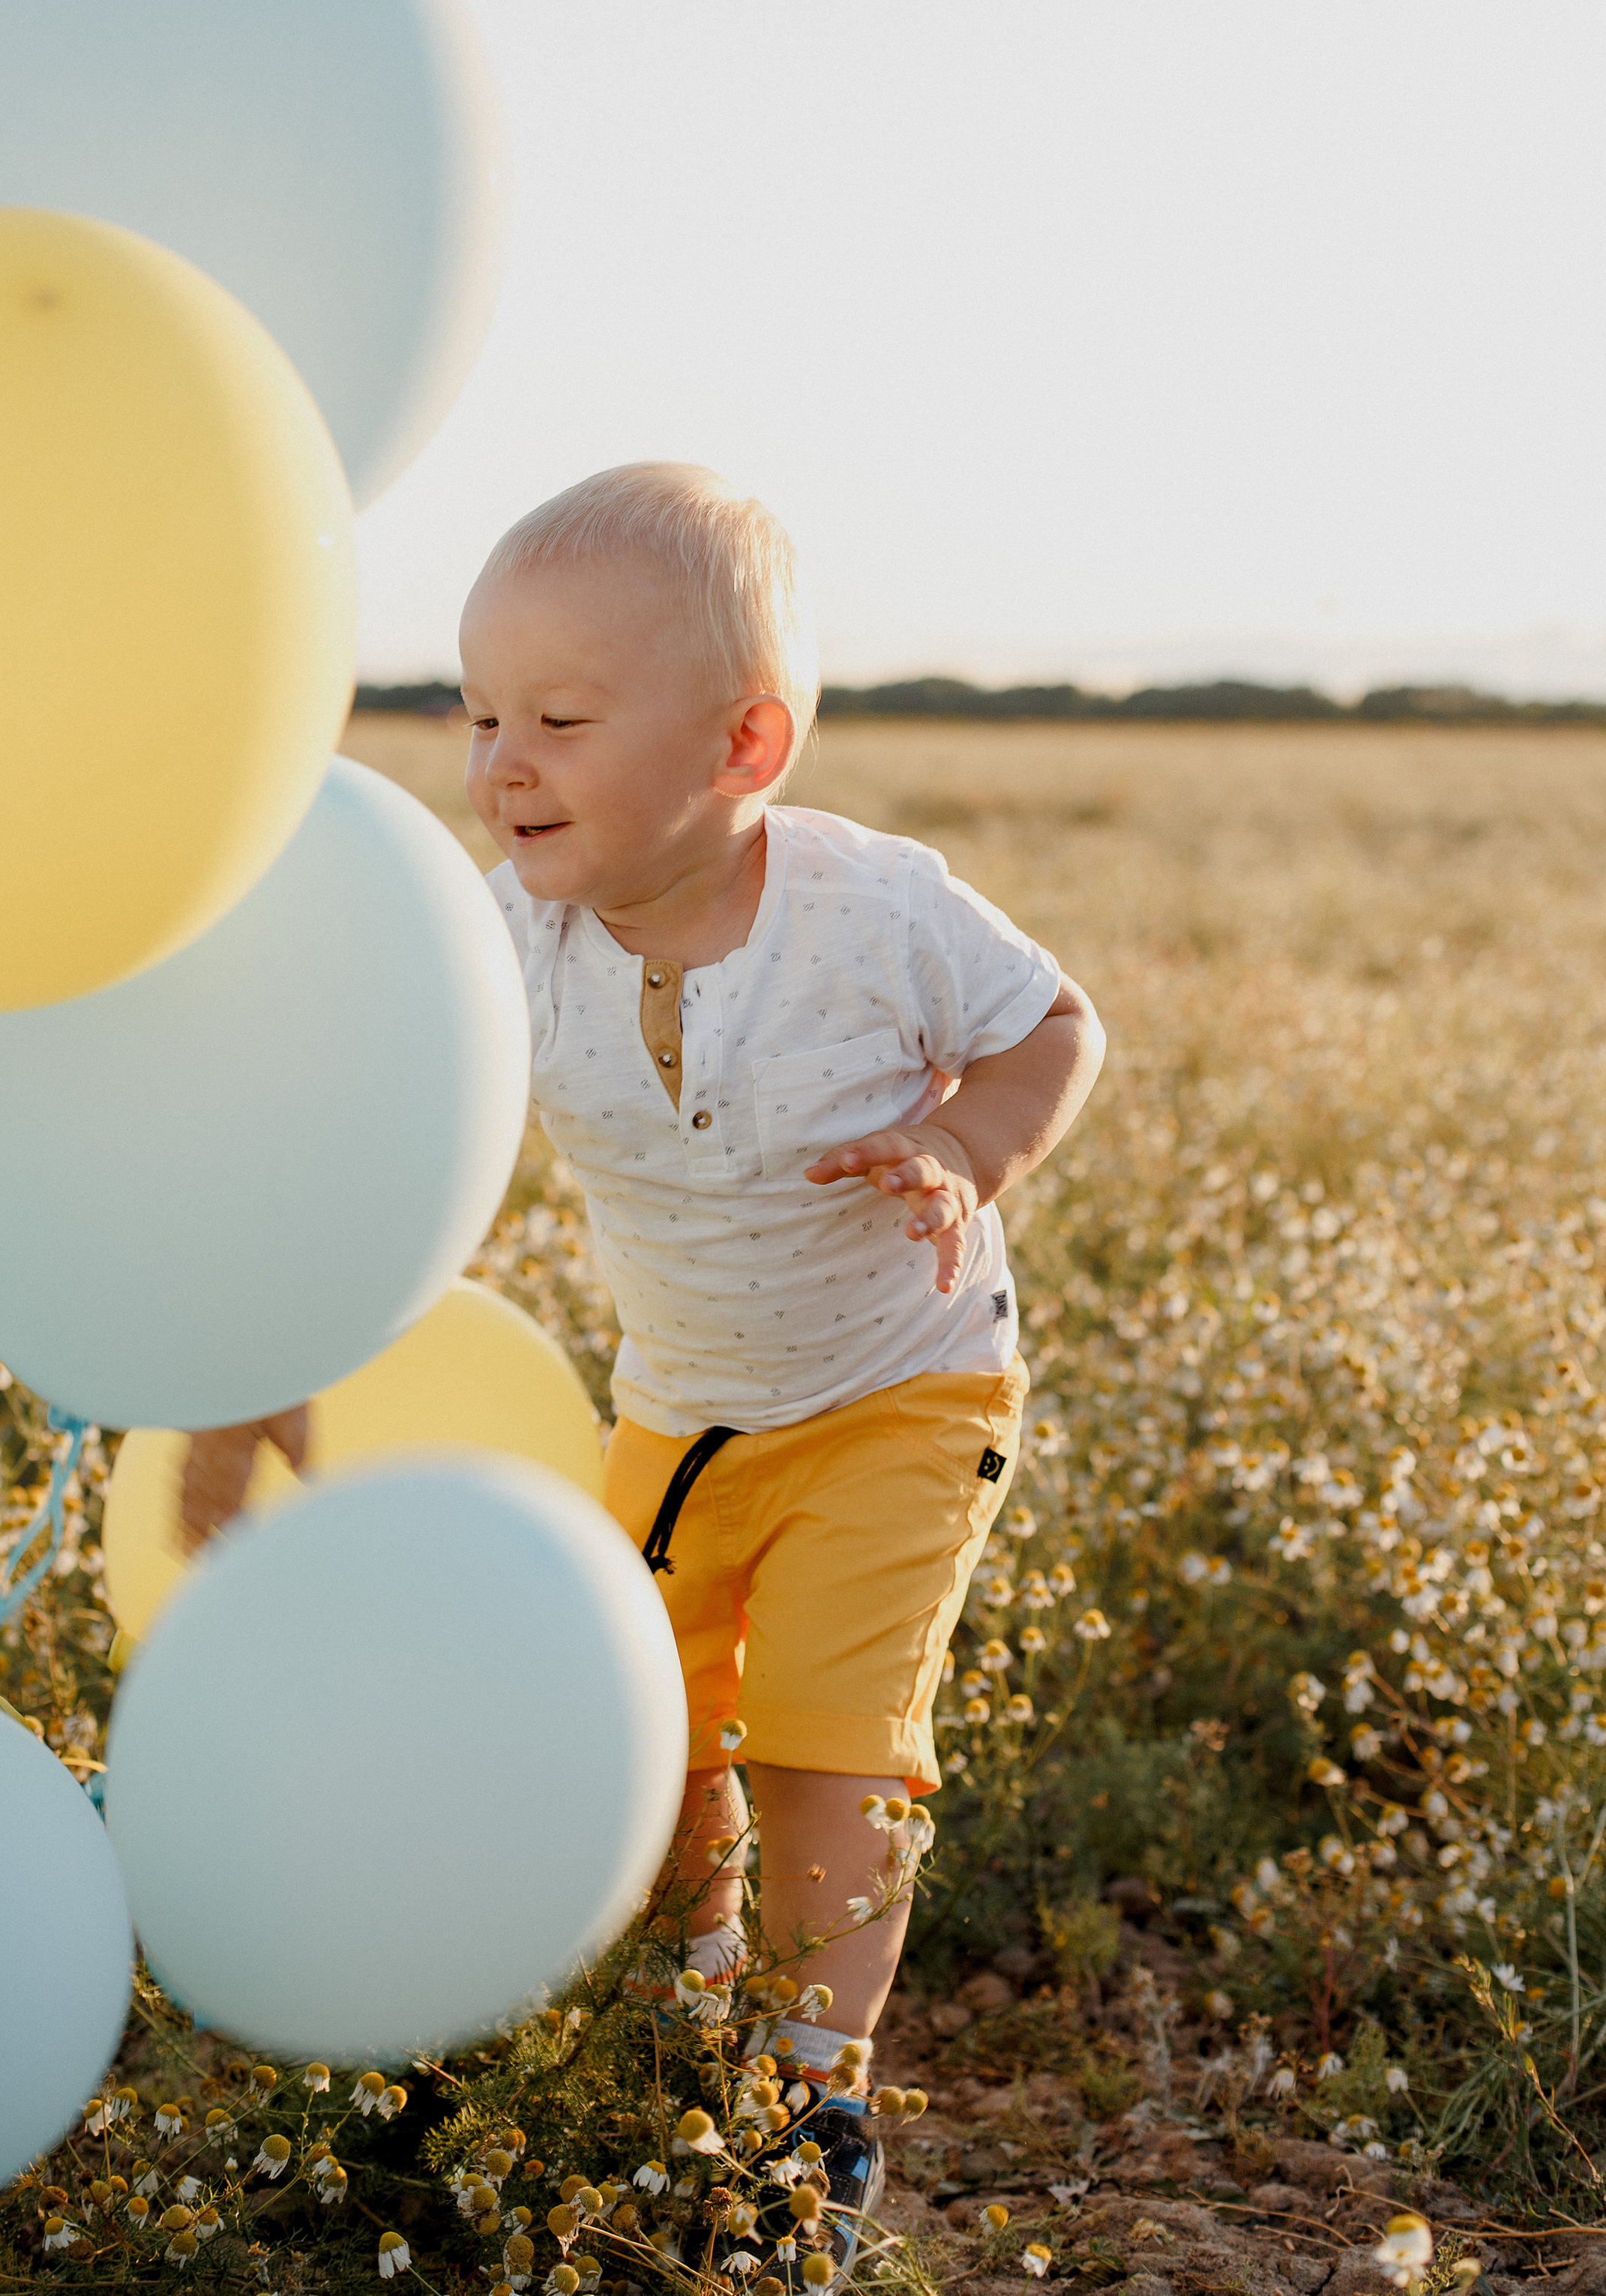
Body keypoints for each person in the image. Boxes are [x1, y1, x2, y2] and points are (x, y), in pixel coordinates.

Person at [184, 461, 1104, 2277]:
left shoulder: (870, 908)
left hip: (903, 1388)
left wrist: (968, 1147)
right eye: (477, 714)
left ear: (740, 746)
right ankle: (685, 2028)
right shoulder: (505, 943)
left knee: (829, 1739)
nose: (499, 761)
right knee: (642, 1726)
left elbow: (1056, 1025)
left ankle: (803, 2103)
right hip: (680, 1403)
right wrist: (249, 1405)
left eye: (561, 719)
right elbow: (378, 1173)